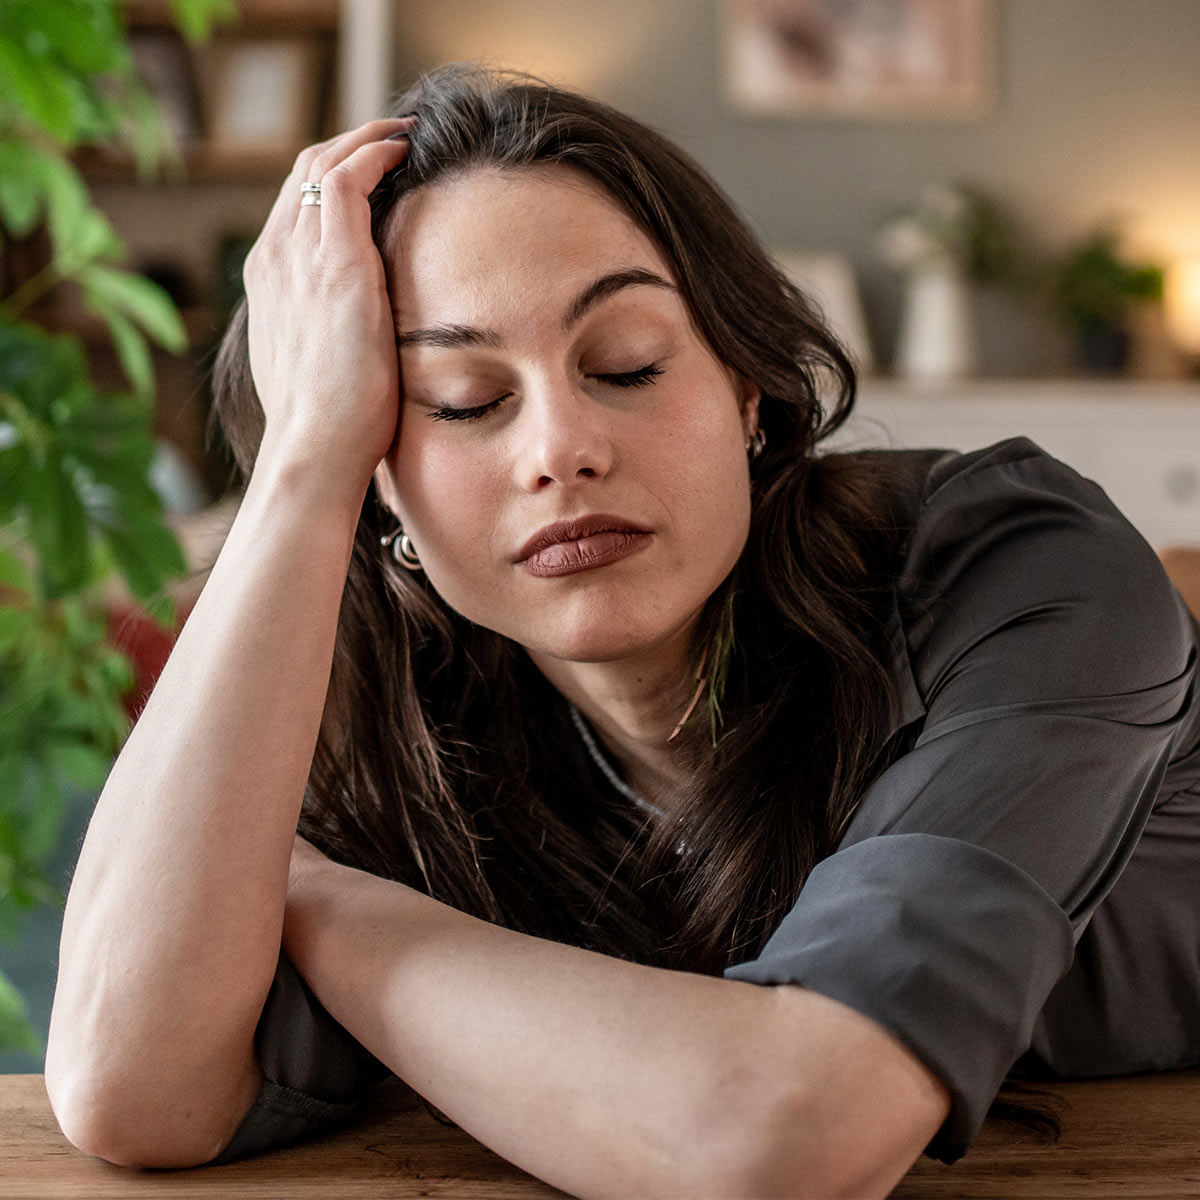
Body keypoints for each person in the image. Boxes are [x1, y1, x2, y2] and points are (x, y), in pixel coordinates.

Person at [46, 64, 1200, 1198]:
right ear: (382, 480)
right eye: (461, 401)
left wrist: (312, 900)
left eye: (627, 365)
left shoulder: (1014, 569)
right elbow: (128, 1089)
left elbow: (786, 1140)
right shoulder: (407, 716)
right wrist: (304, 464)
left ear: (749, 389)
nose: (560, 447)